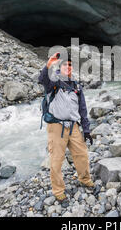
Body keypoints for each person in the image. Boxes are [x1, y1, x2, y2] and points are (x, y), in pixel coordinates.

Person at [38, 51, 94, 202]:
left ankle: (85, 179)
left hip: (74, 126)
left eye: (70, 65)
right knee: (56, 160)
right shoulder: (53, 82)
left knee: (82, 155)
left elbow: (82, 109)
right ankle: (58, 191)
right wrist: (48, 64)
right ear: (59, 67)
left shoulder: (76, 86)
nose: (68, 67)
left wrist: (86, 129)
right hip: (57, 127)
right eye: (65, 65)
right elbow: (42, 79)